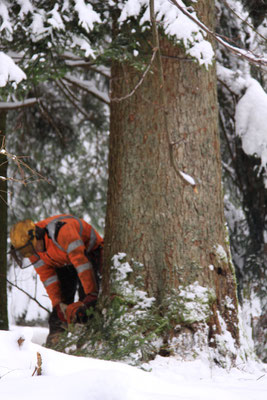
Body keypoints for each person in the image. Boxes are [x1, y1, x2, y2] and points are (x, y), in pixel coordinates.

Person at [10, 214, 103, 345]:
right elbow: (48, 278)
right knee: (59, 307)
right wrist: (57, 304)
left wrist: (91, 294)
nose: (30, 253)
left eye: (30, 248)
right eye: (25, 251)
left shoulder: (63, 232)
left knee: (87, 301)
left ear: (36, 235)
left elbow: (82, 264)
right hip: (63, 260)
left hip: (89, 252)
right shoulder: (32, 251)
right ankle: (56, 340)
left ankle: (89, 335)